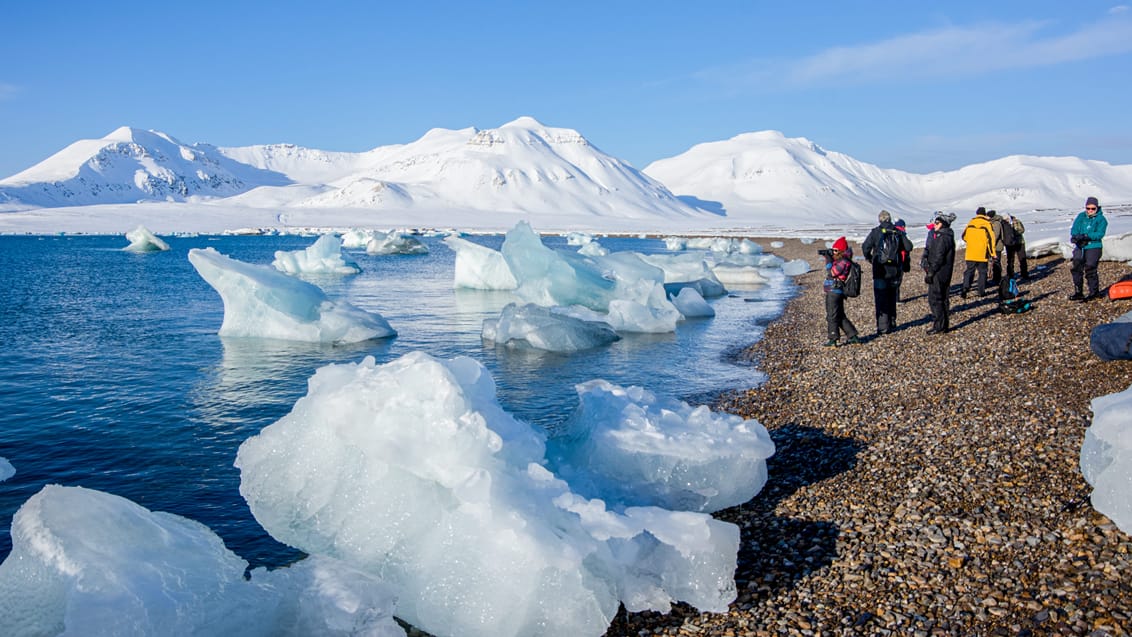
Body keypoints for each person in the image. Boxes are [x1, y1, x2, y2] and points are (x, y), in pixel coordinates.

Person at [861, 210, 914, 335]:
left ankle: (883, 327)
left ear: (879, 220)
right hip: (894, 270)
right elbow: (909, 247)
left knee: (881, 298)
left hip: (880, 270)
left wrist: (870, 258)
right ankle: (892, 322)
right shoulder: (897, 231)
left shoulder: (875, 232)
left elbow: (865, 247)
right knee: (891, 296)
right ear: (890, 220)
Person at [822, 236, 860, 346]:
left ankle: (833, 339)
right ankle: (853, 336)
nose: (833, 252)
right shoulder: (842, 260)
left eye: (835, 250)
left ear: (840, 250)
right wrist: (829, 258)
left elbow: (832, 272)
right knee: (840, 315)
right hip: (835, 291)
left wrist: (828, 259)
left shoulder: (844, 261)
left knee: (832, 315)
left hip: (835, 291)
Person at [1069, 196, 1108, 301]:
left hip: (1094, 246)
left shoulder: (1101, 219)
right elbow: (1074, 228)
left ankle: (1093, 292)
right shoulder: (1081, 216)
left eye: (1093, 208)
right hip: (1080, 246)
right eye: (1088, 208)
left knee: (1090, 267)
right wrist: (1076, 237)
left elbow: (1100, 233)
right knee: (1076, 266)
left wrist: (1087, 236)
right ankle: (1078, 292)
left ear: (1097, 208)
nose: (1090, 211)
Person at [923, 212, 957, 334]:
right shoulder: (948, 235)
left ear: (943, 224)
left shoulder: (942, 237)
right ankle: (943, 325)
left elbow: (938, 257)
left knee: (935, 299)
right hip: (945, 272)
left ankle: (939, 325)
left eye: (937, 223)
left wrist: (930, 272)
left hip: (939, 272)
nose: (934, 225)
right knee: (943, 298)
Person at [960, 206, 996, 299]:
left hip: (970, 252)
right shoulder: (987, 224)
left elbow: (964, 236)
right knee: (982, 272)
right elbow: (991, 239)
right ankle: (981, 291)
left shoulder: (971, 223)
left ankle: (965, 288)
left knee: (969, 271)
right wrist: (993, 253)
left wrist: (971, 242)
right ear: (984, 214)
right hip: (982, 252)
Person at [986, 210, 1008, 286]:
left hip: (996, 246)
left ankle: (997, 278)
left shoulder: (996, 223)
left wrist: (989, 243)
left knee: (996, 262)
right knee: (994, 262)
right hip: (994, 246)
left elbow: (995, 235)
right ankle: (995, 278)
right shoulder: (994, 222)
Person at [1005, 213, 1029, 280]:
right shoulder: (1004, 224)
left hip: (1019, 242)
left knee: (1022, 258)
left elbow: (1022, 230)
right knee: (1010, 260)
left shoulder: (1017, 221)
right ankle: (1010, 274)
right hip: (1010, 243)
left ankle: (1024, 273)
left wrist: (1013, 232)